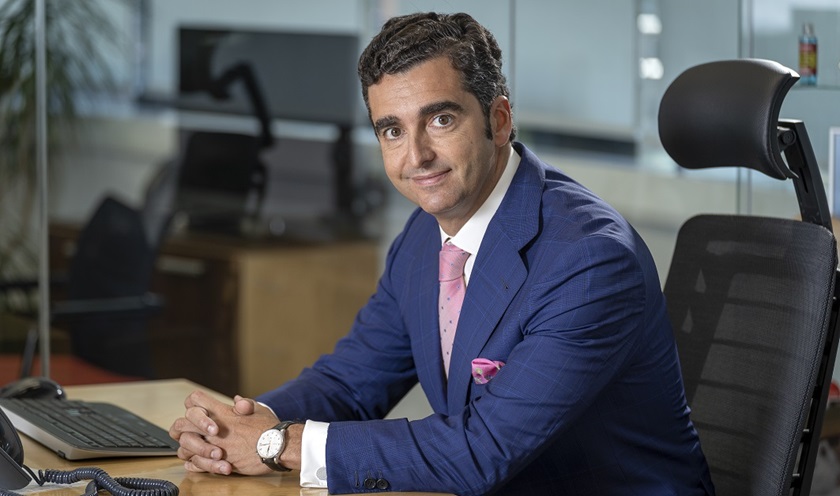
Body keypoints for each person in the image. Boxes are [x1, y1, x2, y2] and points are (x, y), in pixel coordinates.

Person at [169, 11, 715, 495]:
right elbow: (350, 382)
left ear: (499, 120)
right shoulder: (423, 238)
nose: (417, 156)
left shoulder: (589, 260)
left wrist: (277, 445)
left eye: (440, 120)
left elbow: (482, 449)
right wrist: (238, 427)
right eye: (391, 130)